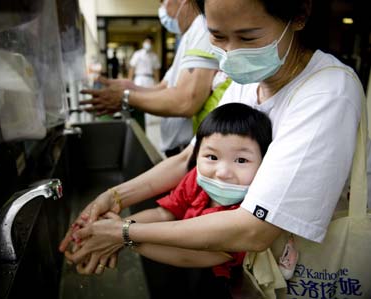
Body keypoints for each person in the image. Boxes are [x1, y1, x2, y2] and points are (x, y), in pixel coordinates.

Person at [60, 1, 364, 296]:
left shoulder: (327, 92)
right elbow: (188, 159)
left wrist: (124, 233)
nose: (231, 53)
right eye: (218, 36)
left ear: (299, 15)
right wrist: (113, 197)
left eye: (248, 37)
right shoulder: (246, 83)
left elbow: (254, 230)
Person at [69, 103, 272, 296]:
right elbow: (164, 213)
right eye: (211, 157)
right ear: (197, 153)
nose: (222, 172)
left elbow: (188, 255)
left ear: (265, 163)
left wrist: (123, 237)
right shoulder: (197, 180)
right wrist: (115, 227)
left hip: (224, 285)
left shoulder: (248, 211)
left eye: (241, 160)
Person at [80, 0, 221, 157]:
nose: (162, 10)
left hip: (191, 148)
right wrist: (127, 86)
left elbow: (185, 101)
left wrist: (126, 97)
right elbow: (163, 87)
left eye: (163, 2)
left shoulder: (202, 28)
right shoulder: (188, 35)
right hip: (177, 146)